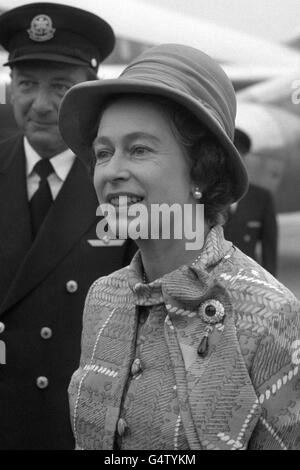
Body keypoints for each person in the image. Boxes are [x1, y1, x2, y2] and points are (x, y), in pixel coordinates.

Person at [59, 44, 300, 450]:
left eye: (139, 149)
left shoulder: (269, 314)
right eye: (103, 153)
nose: (113, 170)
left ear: (201, 170)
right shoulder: (104, 297)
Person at [0, 3, 134, 450]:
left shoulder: (123, 187)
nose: (39, 104)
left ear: (88, 93)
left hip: (78, 423)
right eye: (25, 84)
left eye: (61, 86)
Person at [224, 129, 278, 276]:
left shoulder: (261, 197)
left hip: (247, 277)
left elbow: (269, 246)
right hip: (210, 280)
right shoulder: (205, 194)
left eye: (238, 156)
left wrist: (270, 283)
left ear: (244, 159)